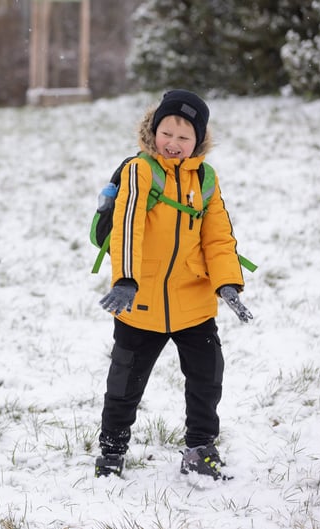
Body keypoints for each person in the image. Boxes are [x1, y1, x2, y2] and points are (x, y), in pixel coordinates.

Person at [94, 89, 253, 481]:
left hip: (194, 302)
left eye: (185, 137)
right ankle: (112, 451)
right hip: (140, 300)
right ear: (153, 131)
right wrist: (126, 279)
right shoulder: (140, 171)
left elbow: (217, 238)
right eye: (167, 133)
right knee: (124, 383)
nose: (174, 143)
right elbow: (126, 226)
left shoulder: (206, 179)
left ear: (198, 140)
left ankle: (200, 449)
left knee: (207, 379)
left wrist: (228, 283)